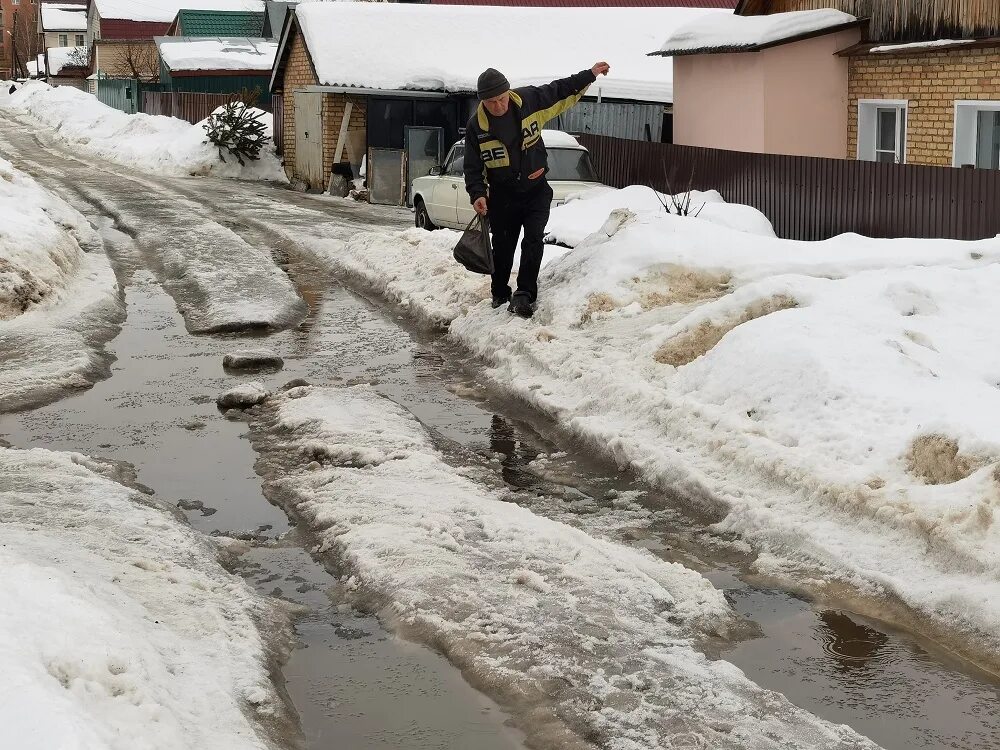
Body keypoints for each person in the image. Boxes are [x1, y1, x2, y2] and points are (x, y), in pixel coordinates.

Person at [463, 62, 610, 318]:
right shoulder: (477, 127)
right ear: (482, 102)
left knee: (533, 241)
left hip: (536, 190)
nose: (499, 106)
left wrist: (591, 74)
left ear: (508, 92)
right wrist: (477, 194)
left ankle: (525, 295)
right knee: (503, 247)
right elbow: (473, 167)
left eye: (502, 98)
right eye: (491, 102)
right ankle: (499, 292)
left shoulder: (528, 101)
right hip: (503, 196)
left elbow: (560, 89)